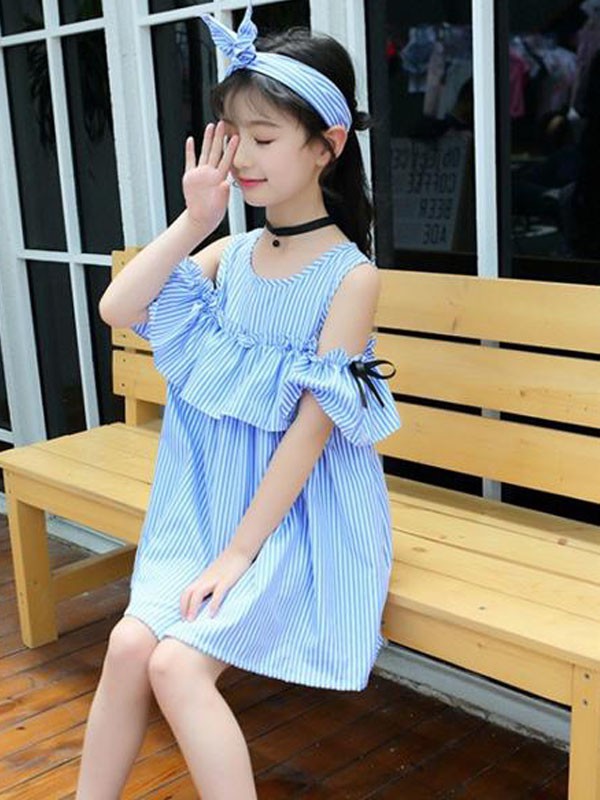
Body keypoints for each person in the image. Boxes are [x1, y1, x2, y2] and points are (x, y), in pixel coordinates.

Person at [76, 3, 401, 798]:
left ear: (327, 146)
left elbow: (312, 434)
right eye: (234, 135)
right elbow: (118, 308)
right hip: (203, 505)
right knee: (128, 645)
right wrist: (195, 220)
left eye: (264, 138)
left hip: (294, 519)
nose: (243, 157)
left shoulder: (350, 277)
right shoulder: (233, 251)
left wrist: (238, 554)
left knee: (176, 666)